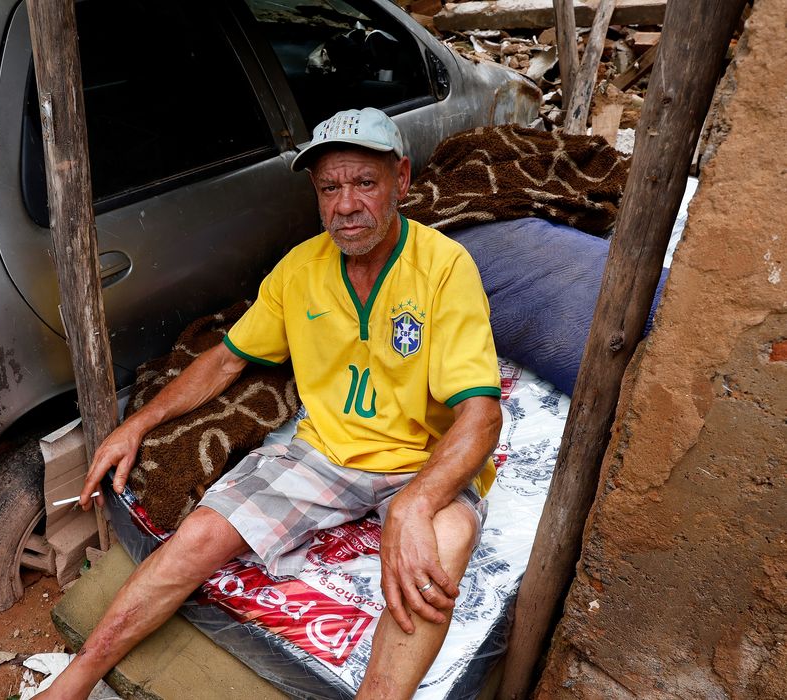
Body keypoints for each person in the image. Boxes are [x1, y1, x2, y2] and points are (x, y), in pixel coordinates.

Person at [42, 107, 503, 699]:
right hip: (325, 453)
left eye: (365, 182)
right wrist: (140, 422)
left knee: (440, 549)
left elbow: (482, 414)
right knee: (197, 537)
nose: (346, 204)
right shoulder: (299, 270)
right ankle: (74, 682)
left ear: (402, 181)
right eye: (330, 187)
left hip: (424, 462)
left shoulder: (444, 268)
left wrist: (417, 503)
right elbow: (227, 359)